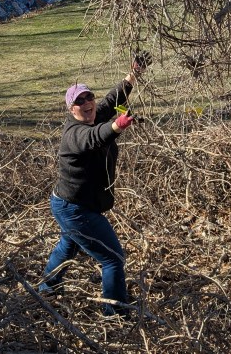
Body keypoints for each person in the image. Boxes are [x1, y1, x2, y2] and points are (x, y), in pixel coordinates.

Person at [39, 51, 152, 316]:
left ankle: (45, 288)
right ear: (70, 109)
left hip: (73, 203)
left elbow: (114, 98)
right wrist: (117, 126)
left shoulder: (95, 114)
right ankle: (115, 313)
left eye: (89, 96)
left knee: (68, 245)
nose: (87, 102)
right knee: (113, 258)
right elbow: (95, 138)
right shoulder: (74, 134)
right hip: (75, 208)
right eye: (80, 101)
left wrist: (135, 73)